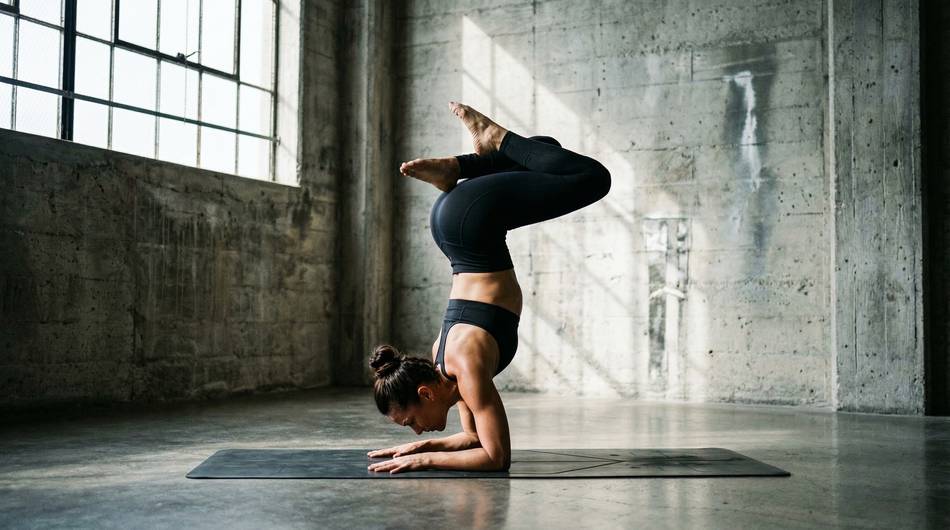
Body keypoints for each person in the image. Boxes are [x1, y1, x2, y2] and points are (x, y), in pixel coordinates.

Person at [367, 101, 611, 474]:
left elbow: (496, 458)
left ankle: (487, 140)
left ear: (425, 393)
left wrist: (426, 461)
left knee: (593, 178)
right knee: (545, 150)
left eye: (411, 422)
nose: (416, 428)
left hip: (471, 221)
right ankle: (458, 168)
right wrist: (424, 445)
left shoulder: (465, 366)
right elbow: (473, 439)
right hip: (453, 222)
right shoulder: (446, 369)